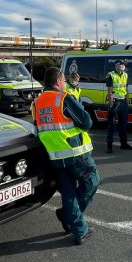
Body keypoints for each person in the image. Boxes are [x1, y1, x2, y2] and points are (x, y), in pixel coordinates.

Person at [32, 67, 99, 245]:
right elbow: (87, 122)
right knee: (91, 183)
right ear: (59, 81)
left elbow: (38, 128)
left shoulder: (37, 103)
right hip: (77, 154)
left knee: (69, 194)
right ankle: (67, 215)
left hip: (55, 158)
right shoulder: (63, 98)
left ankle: (79, 230)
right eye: (64, 80)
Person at [105, 60, 132, 153]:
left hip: (123, 102)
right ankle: (109, 146)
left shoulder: (125, 75)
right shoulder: (111, 75)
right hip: (115, 102)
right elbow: (109, 91)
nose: (122, 66)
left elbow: (126, 88)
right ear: (116, 65)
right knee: (111, 125)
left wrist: (127, 101)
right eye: (120, 64)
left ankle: (123, 143)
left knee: (123, 124)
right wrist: (110, 103)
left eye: (123, 65)